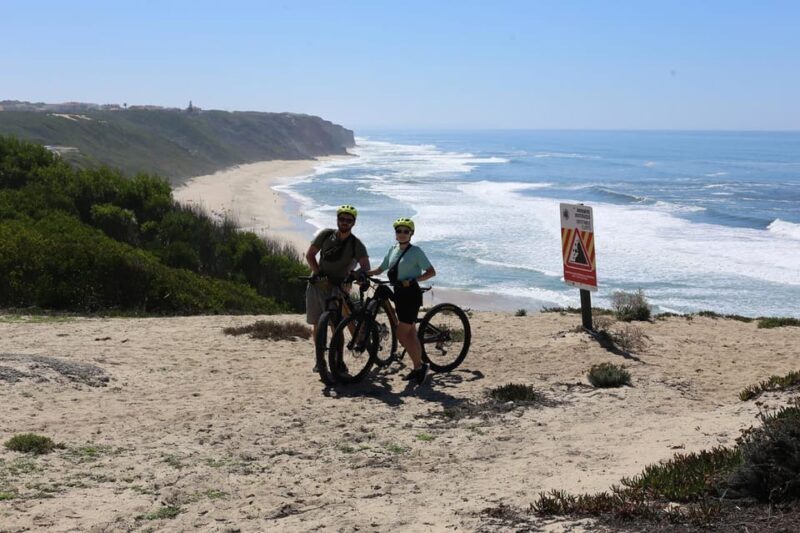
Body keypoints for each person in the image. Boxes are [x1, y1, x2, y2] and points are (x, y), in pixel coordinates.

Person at [367, 217, 435, 385]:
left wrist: (413, 280)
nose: (402, 234)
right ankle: (418, 368)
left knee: (400, 333)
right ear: (395, 234)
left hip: (411, 295)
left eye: (406, 231)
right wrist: (363, 273)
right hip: (398, 293)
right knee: (410, 332)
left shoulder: (416, 251)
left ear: (411, 234)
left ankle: (420, 366)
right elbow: (380, 269)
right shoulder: (392, 250)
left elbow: (431, 272)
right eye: (399, 231)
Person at [305, 205, 370, 344]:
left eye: (349, 220)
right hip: (317, 284)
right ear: (337, 220)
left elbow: (366, 266)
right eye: (342, 219)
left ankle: (337, 361)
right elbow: (310, 256)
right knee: (317, 324)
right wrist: (319, 273)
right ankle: (319, 360)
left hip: (338, 286)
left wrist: (353, 276)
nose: (345, 222)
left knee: (337, 325)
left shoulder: (356, 244)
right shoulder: (326, 235)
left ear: (354, 222)